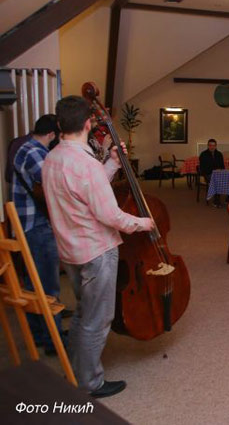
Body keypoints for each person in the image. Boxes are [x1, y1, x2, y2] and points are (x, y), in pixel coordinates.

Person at [43, 95, 155, 398]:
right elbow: (110, 215)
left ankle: (75, 367)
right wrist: (143, 223)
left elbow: (86, 191)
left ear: (60, 124)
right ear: (88, 124)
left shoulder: (53, 158)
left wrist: (113, 163)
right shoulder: (86, 164)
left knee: (83, 311)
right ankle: (89, 382)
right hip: (96, 251)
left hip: (70, 250)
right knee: (98, 318)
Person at [12, 114, 63, 355]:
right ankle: (53, 340)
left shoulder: (25, 147)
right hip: (37, 226)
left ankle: (39, 334)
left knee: (34, 284)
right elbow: (54, 185)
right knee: (48, 287)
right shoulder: (34, 152)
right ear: (52, 134)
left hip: (30, 225)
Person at [199, 138, 225, 207]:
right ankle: (216, 201)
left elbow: (222, 166)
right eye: (210, 145)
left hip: (218, 174)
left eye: (213, 145)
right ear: (208, 146)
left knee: (228, 178)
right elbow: (203, 168)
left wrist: (220, 170)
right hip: (208, 174)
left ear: (216, 146)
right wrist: (214, 170)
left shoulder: (219, 154)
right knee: (217, 180)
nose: (212, 147)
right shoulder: (203, 154)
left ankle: (228, 198)